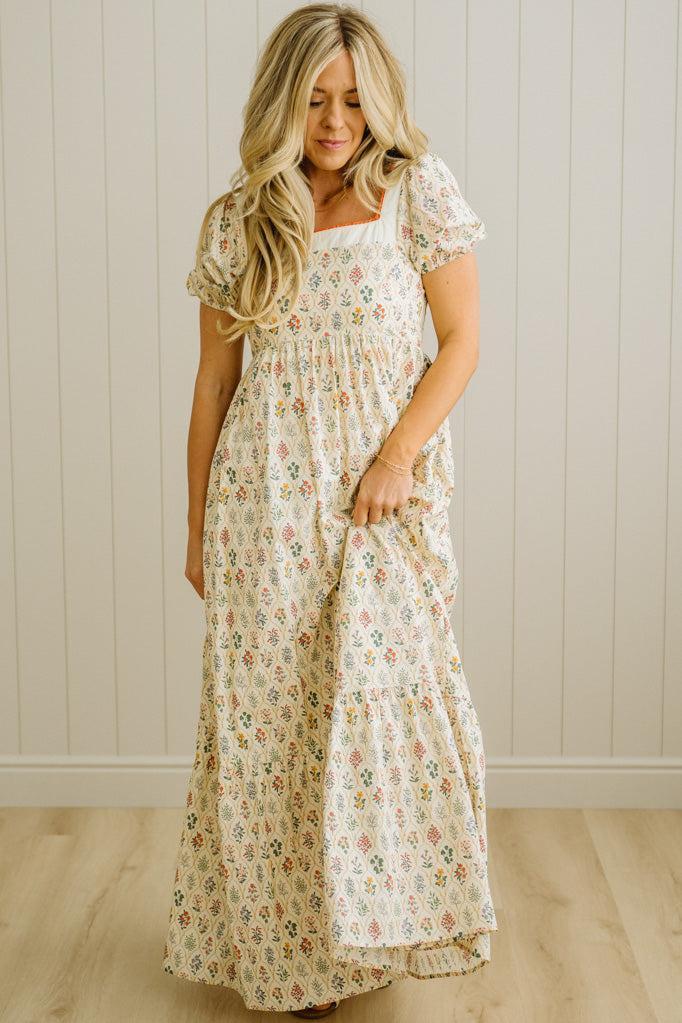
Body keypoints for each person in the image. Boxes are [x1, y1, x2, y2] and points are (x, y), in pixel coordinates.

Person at [161, 3, 498, 1018]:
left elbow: (463, 343)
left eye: (353, 99)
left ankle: (371, 938)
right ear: (281, 101)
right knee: (272, 732)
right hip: (261, 505)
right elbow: (214, 387)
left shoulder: (417, 195)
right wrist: (194, 527)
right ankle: (293, 960)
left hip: (380, 509)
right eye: (314, 100)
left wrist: (397, 455)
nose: (336, 120)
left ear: (380, 100)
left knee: (378, 726)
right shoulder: (240, 220)